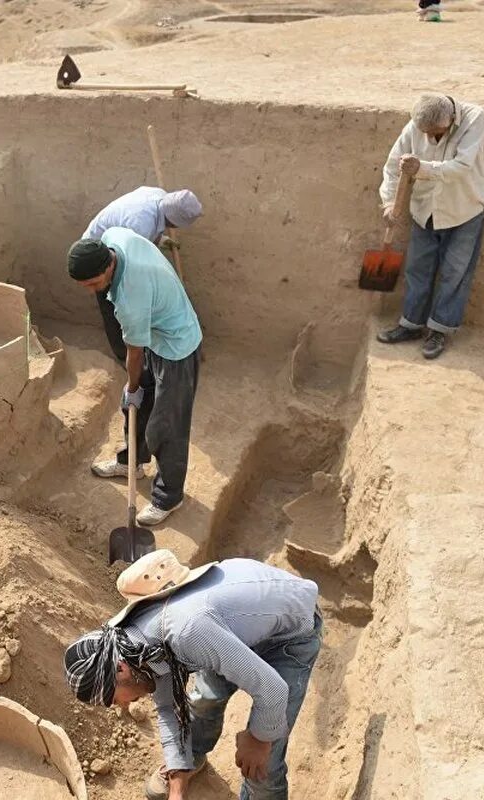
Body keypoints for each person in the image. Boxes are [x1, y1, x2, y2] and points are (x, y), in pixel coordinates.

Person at [63, 549, 322, 800]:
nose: (119, 705)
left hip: (290, 633)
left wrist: (258, 739)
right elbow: (168, 709)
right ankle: (189, 763)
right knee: (205, 700)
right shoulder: (138, 649)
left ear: (120, 669)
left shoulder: (187, 632)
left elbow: (272, 689)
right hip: (230, 629)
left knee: (263, 764)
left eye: (112, 697)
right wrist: (177, 791)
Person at [67, 228, 201, 526]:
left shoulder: (131, 299)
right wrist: (135, 396)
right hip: (156, 332)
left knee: (167, 427)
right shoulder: (114, 238)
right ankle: (132, 463)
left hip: (177, 348)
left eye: (94, 283)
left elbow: (134, 352)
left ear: (109, 266)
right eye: (84, 285)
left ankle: (169, 497)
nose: (92, 290)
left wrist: (133, 385)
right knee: (135, 408)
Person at [377, 93, 484, 359]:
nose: (429, 137)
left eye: (435, 133)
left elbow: (461, 167)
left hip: (464, 209)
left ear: (450, 120)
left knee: (455, 273)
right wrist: (388, 204)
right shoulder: (416, 126)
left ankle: (439, 330)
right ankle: (411, 325)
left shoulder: (475, 118)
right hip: (424, 211)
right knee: (418, 269)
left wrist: (421, 167)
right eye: (425, 133)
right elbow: (393, 168)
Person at [82, 187, 203, 363]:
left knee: (140, 304)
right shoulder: (140, 223)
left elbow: (145, 239)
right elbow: (132, 268)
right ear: (175, 222)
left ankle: (140, 347)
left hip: (118, 249)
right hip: (97, 257)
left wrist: (160, 239)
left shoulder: (161, 199)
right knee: (115, 306)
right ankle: (124, 355)